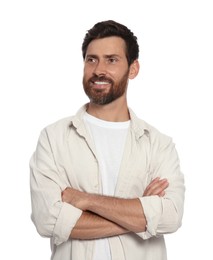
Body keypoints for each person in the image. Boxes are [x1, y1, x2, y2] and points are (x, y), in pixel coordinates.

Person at [30, 20, 185, 260]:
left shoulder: (158, 144)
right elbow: (48, 220)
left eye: (111, 60)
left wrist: (85, 200)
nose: (99, 69)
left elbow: (171, 216)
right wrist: (141, 214)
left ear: (133, 69)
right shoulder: (53, 138)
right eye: (92, 59)